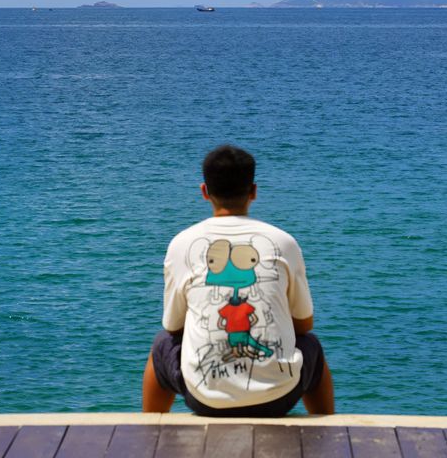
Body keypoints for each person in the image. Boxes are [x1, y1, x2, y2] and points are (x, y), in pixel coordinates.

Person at [142, 144, 335, 416]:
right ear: (254, 191)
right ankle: (328, 427)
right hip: (280, 397)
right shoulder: (283, 242)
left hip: (205, 399)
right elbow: (304, 324)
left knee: (162, 345)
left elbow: (173, 327)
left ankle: (150, 429)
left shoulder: (181, 244)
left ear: (204, 192)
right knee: (311, 346)